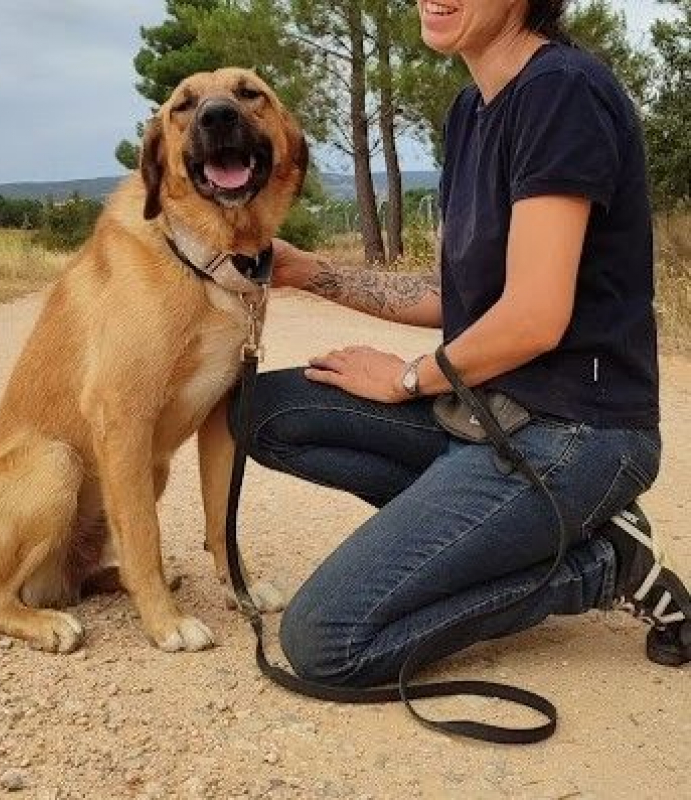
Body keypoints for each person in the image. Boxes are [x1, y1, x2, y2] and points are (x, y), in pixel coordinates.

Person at [228, 0, 691, 686]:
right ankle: (500, 532)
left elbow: (533, 316)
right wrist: (308, 272)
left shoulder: (560, 91)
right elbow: (460, 298)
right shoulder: (471, 110)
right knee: (260, 413)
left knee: (325, 640)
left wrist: (407, 378)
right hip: (483, 413)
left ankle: (599, 565)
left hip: (575, 434)